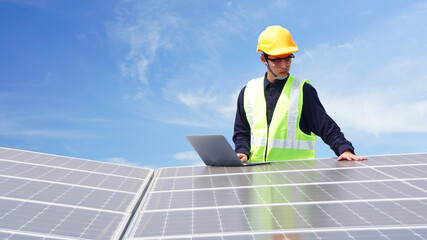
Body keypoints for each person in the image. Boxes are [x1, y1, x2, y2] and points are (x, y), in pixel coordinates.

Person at [233, 25, 367, 163]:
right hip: (258, 178)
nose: (284, 65)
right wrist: (242, 151)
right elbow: (242, 133)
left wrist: (344, 149)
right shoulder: (248, 91)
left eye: (288, 59)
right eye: (277, 60)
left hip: (297, 178)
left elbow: (325, 126)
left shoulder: (303, 90)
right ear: (263, 59)